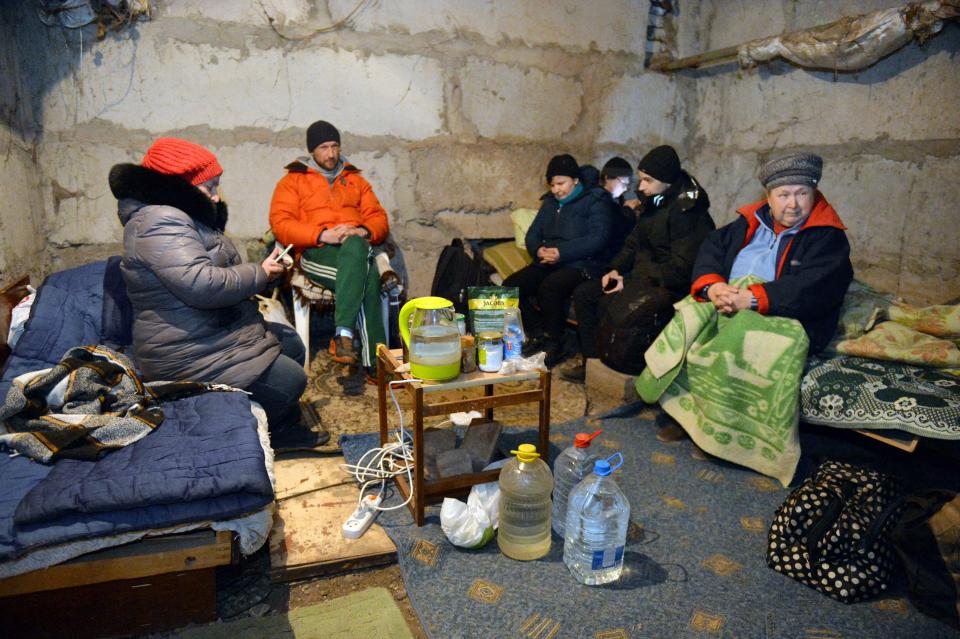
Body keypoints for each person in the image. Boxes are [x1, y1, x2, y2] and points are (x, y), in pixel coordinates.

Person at [637, 151, 854, 484]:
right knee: (688, 316)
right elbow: (712, 249)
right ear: (768, 197)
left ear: (815, 193)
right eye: (784, 195)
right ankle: (687, 415)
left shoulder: (828, 237)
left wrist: (752, 298)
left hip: (783, 312)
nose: (793, 204)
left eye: (802, 194)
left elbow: (815, 287)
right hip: (732, 297)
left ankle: (727, 437)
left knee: (737, 342)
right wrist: (713, 288)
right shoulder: (750, 220)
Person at [110, 137, 329, 448]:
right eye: (208, 187)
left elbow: (216, 274)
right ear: (179, 186)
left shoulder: (181, 217)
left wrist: (264, 274)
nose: (215, 197)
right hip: (184, 350)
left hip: (207, 331)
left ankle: (276, 423)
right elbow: (202, 285)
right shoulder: (158, 223)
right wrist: (260, 273)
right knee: (291, 380)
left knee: (291, 343)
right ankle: (258, 434)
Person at [562, 146, 714, 382]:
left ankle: (630, 363)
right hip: (644, 277)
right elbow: (633, 244)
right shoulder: (655, 201)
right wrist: (614, 269)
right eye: (641, 180)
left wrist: (633, 279)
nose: (640, 187)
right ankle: (593, 361)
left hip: (669, 286)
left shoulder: (688, 213)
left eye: (647, 180)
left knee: (617, 304)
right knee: (586, 293)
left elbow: (683, 269)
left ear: (666, 181)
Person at [269, 120, 390, 375]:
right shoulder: (292, 181)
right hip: (317, 252)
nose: (331, 154)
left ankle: (343, 333)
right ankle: (375, 365)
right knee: (367, 278)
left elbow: (379, 218)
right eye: (324, 147)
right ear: (312, 150)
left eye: (335, 146)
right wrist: (322, 234)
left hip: (355, 250)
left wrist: (362, 230)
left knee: (357, 246)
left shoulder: (355, 180)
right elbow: (281, 225)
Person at [504, 154, 613, 368]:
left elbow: (597, 238)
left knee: (550, 287)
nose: (556, 189)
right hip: (549, 261)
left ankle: (556, 341)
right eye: (552, 184)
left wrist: (562, 252)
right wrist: (539, 250)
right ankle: (538, 334)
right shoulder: (550, 203)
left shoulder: (594, 202)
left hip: (580, 264)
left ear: (575, 180)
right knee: (510, 287)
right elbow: (532, 234)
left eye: (561, 183)